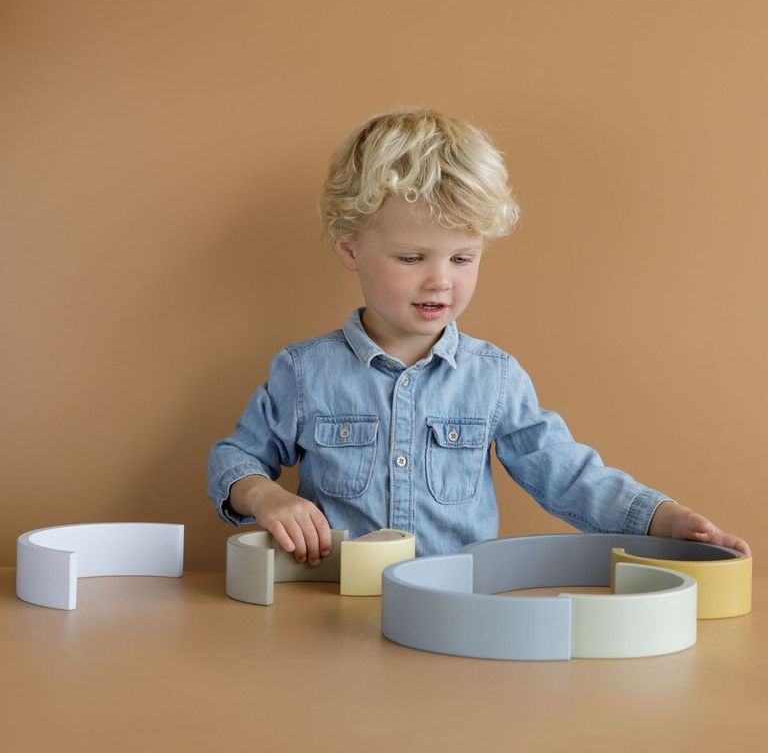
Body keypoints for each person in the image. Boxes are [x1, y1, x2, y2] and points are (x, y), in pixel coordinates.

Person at [207, 107, 751, 566]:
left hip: (457, 607)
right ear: (350, 248)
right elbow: (236, 456)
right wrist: (264, 495)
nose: (440, 280)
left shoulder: (493, 378)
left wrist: (664, 517)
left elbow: (566, 473)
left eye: (462, 258)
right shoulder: (305, 372)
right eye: (412, 257)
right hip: (335, 607)